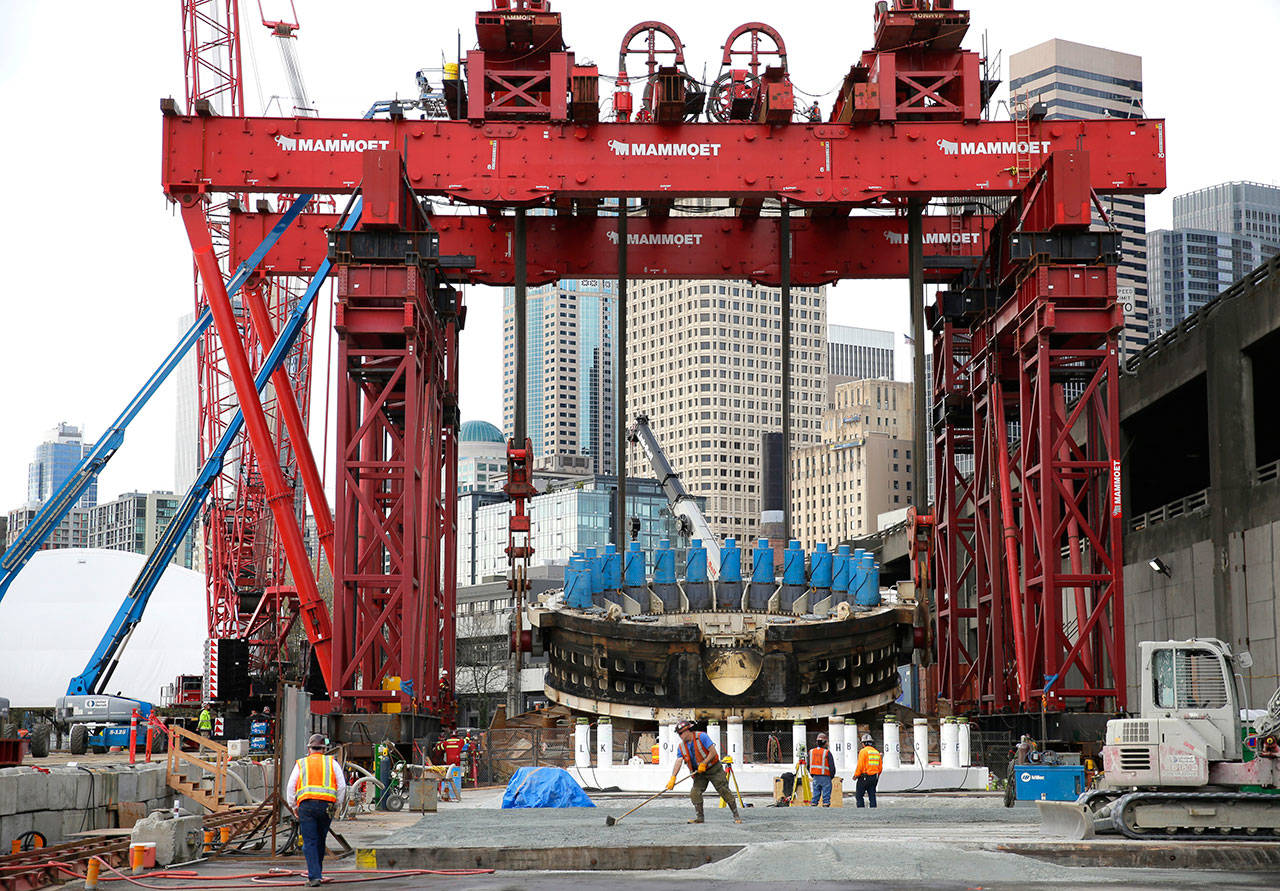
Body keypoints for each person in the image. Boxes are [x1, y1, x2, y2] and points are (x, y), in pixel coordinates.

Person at [286, 733, 347, 887]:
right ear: (324, 749)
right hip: (327, 807)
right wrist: (337, 804)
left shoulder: (302, 763)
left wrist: (294, 806)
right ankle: (317, 873)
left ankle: (314, 876)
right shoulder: (332, 763)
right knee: (320, 839)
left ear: (309, 748)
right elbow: (341, 786)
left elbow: (291, 786)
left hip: (306, 806)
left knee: (310, 841)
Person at [666, 720, 742, 824]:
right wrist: (673, 777)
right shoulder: (681, 747)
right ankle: (700, 818)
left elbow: (713, 752)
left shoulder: (702, 737)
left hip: (713, 769)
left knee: (723, 789)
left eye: (681, 733)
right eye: (679, 734)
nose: (680, 736)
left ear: (688, 731)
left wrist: (704, 763)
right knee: (695, 792)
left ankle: (736, 816)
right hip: (699, 773)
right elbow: (679, 761)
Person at [853, 733, 882, 809]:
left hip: (864, 777)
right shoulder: (876, 752)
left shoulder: (863, 751)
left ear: (864, 743)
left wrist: (856, 775)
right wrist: (876, 776)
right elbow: (880, 768)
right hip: (874, 777)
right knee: (872, 795)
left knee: (859, 795)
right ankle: (873, 810)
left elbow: (860, 765)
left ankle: (861, 811)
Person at [808, 732, 837, 806]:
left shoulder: (811, 752)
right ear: (825, 742)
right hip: (826, 776)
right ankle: (826, 805)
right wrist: (831, 776)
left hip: (815, 776)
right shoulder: (827, 752)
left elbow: (808, 765)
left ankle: (814, 804)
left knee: (815, 793)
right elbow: (832, 766)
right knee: (826, 795)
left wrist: (812, 774)